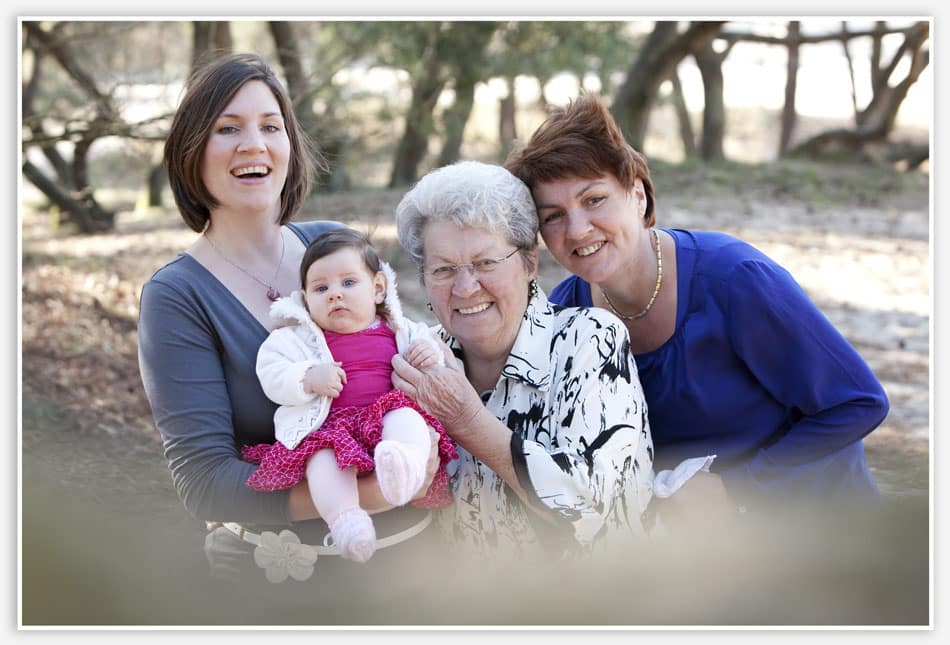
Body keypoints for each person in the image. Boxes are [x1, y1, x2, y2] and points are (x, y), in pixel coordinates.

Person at [504, 94, 890, 522]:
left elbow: (858, 402)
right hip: (700, 555)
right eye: (553, 216)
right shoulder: (563, 317)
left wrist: (739, 488)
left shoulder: (733, 279)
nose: (577, 229)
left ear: (638, 196)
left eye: (594, 199)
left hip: (821, 526)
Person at [137, 53, 442, 586]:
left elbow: (405, 351)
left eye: (270, 126)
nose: (253, 144)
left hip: (419, 568)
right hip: (292, 589)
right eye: (227, 128)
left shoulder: (329, 246)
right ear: (192, 152)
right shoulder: (177, 296)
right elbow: (206, 483)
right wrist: (372, 493)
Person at [391, 160, 668, 558]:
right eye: (444, 269)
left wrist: (467, 421)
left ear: (529, 262)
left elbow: (595, 507)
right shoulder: (415, 363)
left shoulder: (589, 341)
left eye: (486, 263)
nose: (466, 287)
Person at [241, 228, 457, 565]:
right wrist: (307, 376)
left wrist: (430, 356)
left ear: (378, 289)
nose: (334, 295)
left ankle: (404, 468)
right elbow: (270, 371)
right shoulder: (296, 339)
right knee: (321, 462)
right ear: (305, 299)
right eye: (321, 288)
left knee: (409, 420)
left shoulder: (400, 329)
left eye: (348, 283)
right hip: (330, 429)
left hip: (385, 419)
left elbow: (431, 349)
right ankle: (346, 520)